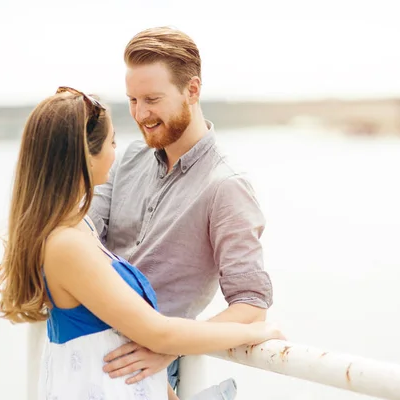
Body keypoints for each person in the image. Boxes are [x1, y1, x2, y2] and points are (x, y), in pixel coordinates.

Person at [0, 86, 283, 400]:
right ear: (84, 156)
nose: (116, 153)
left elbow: (114, 338)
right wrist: (255, 331)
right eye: (111, 142)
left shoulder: (78, 228)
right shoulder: (65, 244)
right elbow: (157, 333)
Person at [89, 26, 273, 391]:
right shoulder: (125, 160)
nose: (140, 114)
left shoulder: (226, 186)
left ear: (192, 90)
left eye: (152, 99)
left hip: (148, 375)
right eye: (133, 100)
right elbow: (84, 236)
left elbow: (252, 307)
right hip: (88, 356)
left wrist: (172, 345)